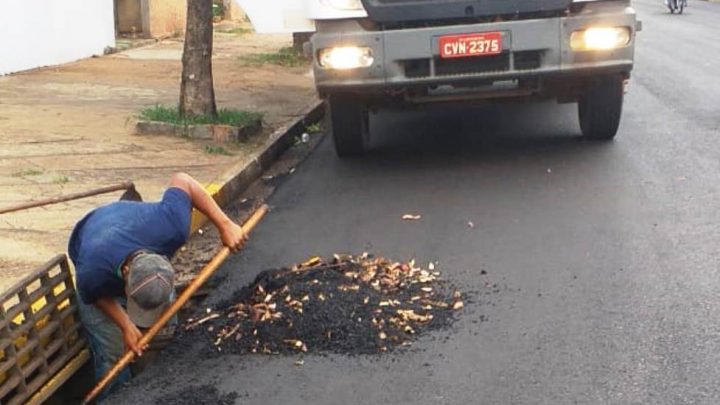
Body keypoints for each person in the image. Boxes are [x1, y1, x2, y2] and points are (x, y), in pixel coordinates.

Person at [68, 172, 247, 401]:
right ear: (125, 286)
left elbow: (184, 180)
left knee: (166, 327)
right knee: (112, 353)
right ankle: (116, 398)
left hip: (130, 226)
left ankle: (162, 377)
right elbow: (95, 297)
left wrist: (225, 224)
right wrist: (125, 326)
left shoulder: (172, 227)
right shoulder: (93, 272)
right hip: (95, 237)